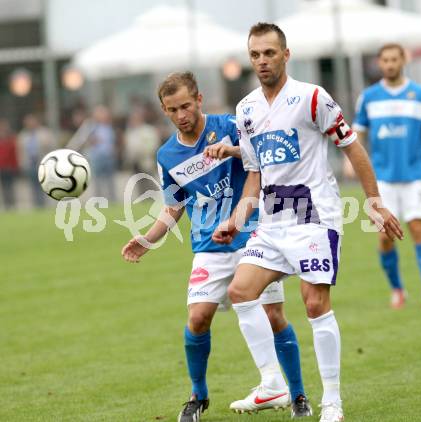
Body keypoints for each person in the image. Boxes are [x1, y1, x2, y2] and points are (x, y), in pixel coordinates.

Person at [212, 23, 403, 422]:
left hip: (315, 216)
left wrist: (375, 202)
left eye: (269, 53)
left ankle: (332, 400)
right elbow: (254, 173)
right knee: (241, 292)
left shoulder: (312, 98)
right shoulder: (245, 109)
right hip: (273, 219)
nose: (262, 61)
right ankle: (272, 384)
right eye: (255, 55)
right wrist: (236, 218)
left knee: (314, 303)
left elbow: (352, 147)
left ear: (285, 54)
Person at [121, 72, 312, 421]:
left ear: (199, 99)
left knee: (273, 315)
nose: (181, 115)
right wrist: (148, 240)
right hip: (209, 246)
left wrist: (234, 150)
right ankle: (198, 396)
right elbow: (173, 206)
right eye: (172, 110)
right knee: (197, 318)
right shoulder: (167, 155)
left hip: (254, 235)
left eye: (185, 106)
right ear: (164, 111)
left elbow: (265, 160)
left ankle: (297, 395)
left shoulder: (231, 125)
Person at [352, 43, 421, 309]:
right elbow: (357, 134)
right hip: (381, 181)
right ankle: (398, 289)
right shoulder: (369, 97)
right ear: (380, 63)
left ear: (403, 60)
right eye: (385, 60)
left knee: (417, 228)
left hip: (413, 174)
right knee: (384, 236)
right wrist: (350, 162)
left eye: (394, 59)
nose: (390, 64)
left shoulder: (420, 95)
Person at [17, 114, 55, 207]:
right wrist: (21, 164)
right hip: (30, 164)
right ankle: (36, 205)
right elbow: (20, 151)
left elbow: (52, 146)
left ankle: (44, 205)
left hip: (42, 163)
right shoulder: (23, 135)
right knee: (32, 186)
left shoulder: (44, 132)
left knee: (44, 186)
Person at [0, 119, 19, 209]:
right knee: (4, 187)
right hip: (1, 167)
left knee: (10, 186)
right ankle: (7, 204)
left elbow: (14, 154)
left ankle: (11, 204)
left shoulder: (11, 140)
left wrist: (15, 166)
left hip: (9, 167)